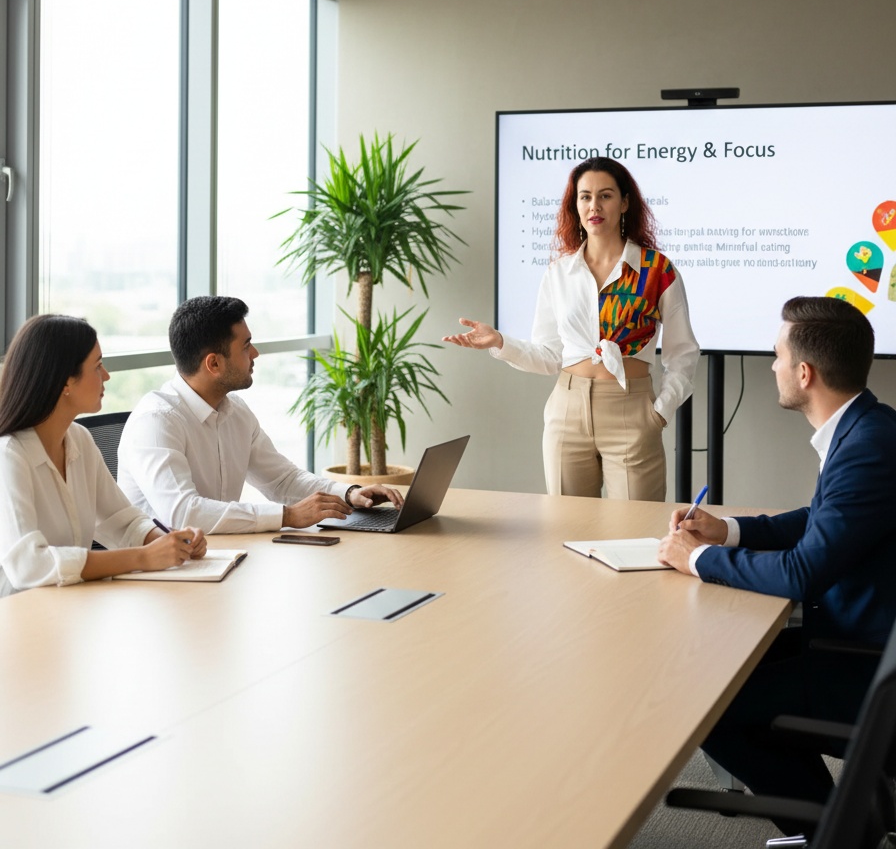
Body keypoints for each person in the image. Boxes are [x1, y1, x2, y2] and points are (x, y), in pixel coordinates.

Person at [658, 296, 896, 821]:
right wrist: (727, 531)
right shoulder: (868, 427)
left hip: (867, 663)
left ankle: (830, 828)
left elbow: (803, 572)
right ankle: (834, 818)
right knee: (722, 666)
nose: (772, 367)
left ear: (805, 373)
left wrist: (696, 559)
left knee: (709, 707)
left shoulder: (867, 446)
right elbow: (816, 520)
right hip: (857, 639)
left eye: (776, 356)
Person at [444, 157, 699, 499]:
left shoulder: (657, 270)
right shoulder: (559, 273)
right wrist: (500, 342)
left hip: (631, 410)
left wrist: (659, 414)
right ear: (575, 205)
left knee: (637, 533)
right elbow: (550, 357)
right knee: (568, 532)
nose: (594, 205)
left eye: (605, 195)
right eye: (585, 196)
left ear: (624, 203)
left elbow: (683, 353)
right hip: (566, 412)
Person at [117, 296, 405, 534]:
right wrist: (287, 516)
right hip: (157, 578)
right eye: (245, 346)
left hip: (216, 560)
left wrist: (349, 493)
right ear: (214, 363)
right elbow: (183, 514)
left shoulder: (235, 411)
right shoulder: (156, 421)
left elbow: (282, 480)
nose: (255, 353)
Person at [0, 315, 207, 598]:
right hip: (17, 618)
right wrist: (143, 557)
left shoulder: (79, 440)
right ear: (65, 382)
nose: (107, 375)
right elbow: (29, 566)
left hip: (70, 607)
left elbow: (122, 521)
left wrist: (172, 544)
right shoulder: (9, 456)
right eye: (97, 366)